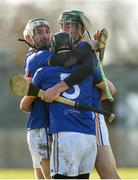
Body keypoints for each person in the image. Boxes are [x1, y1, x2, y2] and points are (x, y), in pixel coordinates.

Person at [42, 10, 120, 179]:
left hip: (89, 118)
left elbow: (110, 90)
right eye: (61, 26)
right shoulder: (69, 51)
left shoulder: (86, 55)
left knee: (107, 173)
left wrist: (89, 98)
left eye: (68, 26)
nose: (63, 30)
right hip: (68, 123)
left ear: (81, 29)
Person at [20, 18, 52, 179]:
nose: (45, 35)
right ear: (28, 38)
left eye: (47, 31)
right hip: (43, 127)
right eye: (38, 32)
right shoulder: (40, 57)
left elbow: (26, 105)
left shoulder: (31, 56)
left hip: (35, 127)